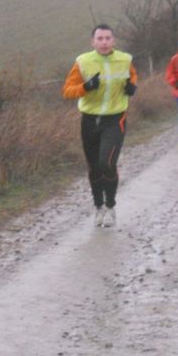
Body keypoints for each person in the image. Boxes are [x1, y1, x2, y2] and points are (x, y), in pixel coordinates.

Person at [62, 24, 138, 228]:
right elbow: (68, 91)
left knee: (107, 163)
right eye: (100, 38)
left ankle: (111, 206)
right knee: (94, 168)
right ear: (92, 42)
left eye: (107, 38)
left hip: (115, 119)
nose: (104, 42)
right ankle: (99, 208)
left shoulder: (125, 59)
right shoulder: (83, 62)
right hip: (89, 120)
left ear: (113, 40)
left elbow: (132, 77)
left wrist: (132, 88)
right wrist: (85, 87)